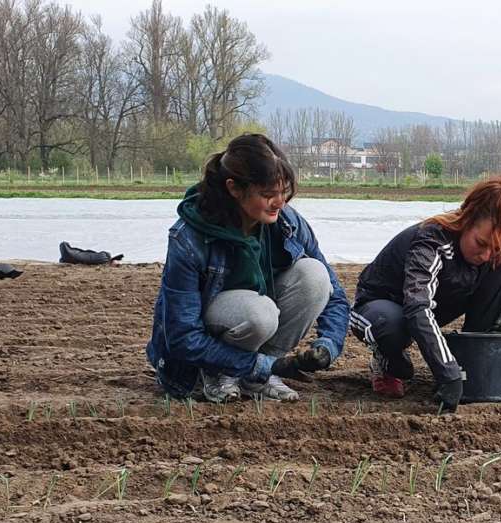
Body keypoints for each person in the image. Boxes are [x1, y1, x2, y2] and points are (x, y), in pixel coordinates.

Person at [146, 134, 350, 403]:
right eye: (268, 195)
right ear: (234, 188)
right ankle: (221, 372)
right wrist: (264, 365)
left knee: (315, 276)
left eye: (284, 192)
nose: (280, 203)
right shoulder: (188, 238)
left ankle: (257, 376)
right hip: (207, 342)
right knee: (260, 313)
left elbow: (335, 295)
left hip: (255, 325)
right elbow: (181, 336)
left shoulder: (288, 222)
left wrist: (328, 345)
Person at [350, 175, 501, 412]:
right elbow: (417, 306)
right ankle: (387, 360)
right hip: (381, 307)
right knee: (392, 326)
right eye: (481, 243)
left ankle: (470, 368)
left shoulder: (491, 254)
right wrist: (447, 371)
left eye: (494, 247)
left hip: (434, 304)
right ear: (467, 220)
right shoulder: (432, 241)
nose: (486, 254)